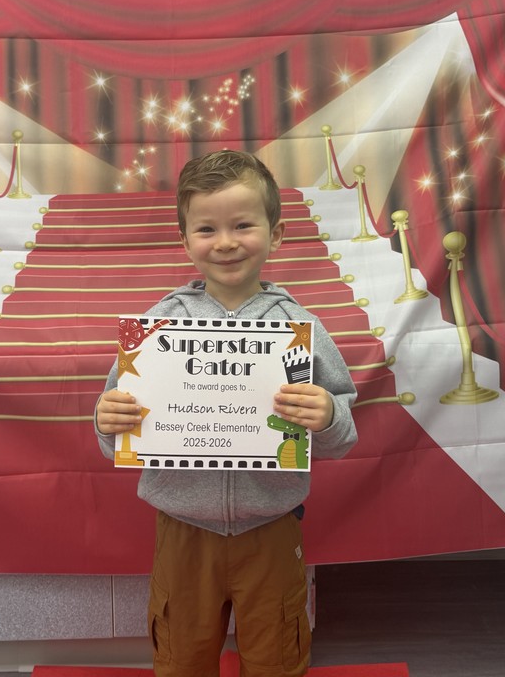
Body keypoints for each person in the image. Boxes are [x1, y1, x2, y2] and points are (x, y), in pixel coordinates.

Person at [95, 150, 358, 677]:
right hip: (183, 530)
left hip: (272, 528)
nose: (226, 242)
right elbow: (116, 429)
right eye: (206, 229)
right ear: (185, 241)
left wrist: (328, 414)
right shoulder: (158, 326)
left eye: (242, 225)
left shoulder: (299, 328)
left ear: (276, 234)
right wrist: (107, 422)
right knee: (181, 660)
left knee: (277, 658)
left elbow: (341, 439)